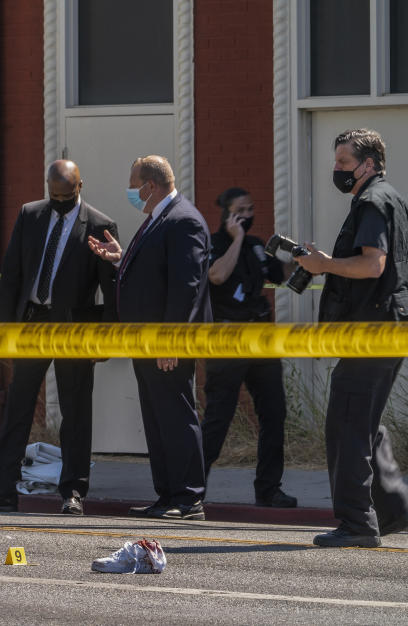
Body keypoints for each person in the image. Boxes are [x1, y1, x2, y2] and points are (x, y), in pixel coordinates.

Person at [0, 160, 119, 514]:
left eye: (66, 195)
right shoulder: (30, 215)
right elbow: (12, 275)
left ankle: (73, 493)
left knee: (75, 411)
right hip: (31, 321)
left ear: (81, 186)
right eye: (54, 194)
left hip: (73, 329)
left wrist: (107, 339)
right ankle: (1, 492)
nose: (59, 201)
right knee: (18, 406)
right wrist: (5, 329)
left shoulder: (99, 224)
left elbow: (112, 291)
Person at [294, 128, 408, 548]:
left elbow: (372, 266)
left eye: (343, 163)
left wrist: (325, 265)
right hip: (387, 326)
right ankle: (394, 510)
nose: (336, 170)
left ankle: (358, 523)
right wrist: (324, 263)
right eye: (337, 162)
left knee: (348, 423)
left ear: (369, 163)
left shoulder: (374, 203)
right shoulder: (390, 198)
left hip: (372, 328)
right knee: (366, 423)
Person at [88, 155, 212, 520]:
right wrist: (120, 259)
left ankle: (189, 498)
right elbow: (156, 272)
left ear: (150, 186)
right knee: (158, 419)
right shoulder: (158, 219)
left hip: (166, 342)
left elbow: (185, 287)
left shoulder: (183, 220)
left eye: (133, 183)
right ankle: (168, 494)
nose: (131, 191)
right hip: (145, 342)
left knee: (175, 415)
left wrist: (170, 340)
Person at [202, 188, 297, 508]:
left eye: (251, 208)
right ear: (227, 214)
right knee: (219, 416)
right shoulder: (214, 245)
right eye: (240, 209)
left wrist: (302, 259)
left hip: (262, 339)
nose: (247, 214)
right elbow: (217, 276)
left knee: (274, 413)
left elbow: (279, 275)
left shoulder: (257, 247)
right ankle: (191, 487)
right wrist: (236, 238)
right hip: (227, 339)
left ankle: (269, 489)